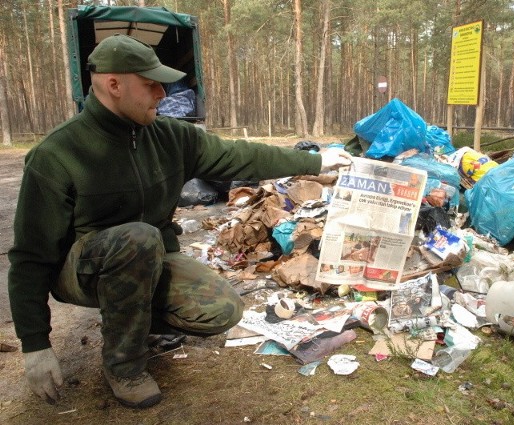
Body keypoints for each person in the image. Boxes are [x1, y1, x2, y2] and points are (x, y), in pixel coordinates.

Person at [8, 34, 352, 409]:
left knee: (222, 309)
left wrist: (316, 163)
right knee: (137, 238)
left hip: (147, 257)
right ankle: (124, 367)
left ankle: (132, 320)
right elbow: (30, 256)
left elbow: (242, 155)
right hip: (81, 269)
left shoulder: (169, 136)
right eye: (151, 83)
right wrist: (35, 344)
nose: (162, 93)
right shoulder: (58, 153)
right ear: (113, 84)